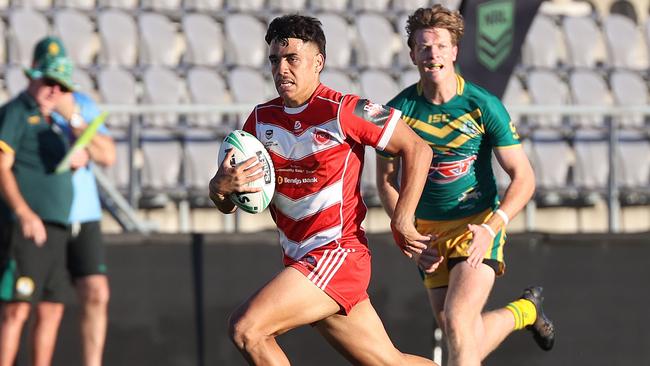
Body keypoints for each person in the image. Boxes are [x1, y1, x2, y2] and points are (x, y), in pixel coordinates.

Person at [210, 14, 439, 365]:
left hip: (338, 254)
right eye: (275, 60)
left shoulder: (345, 110)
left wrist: (403, 219)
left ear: (318, 63)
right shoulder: (259, 121)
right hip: (302, 260)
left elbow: (418, 149)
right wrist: (220, 188)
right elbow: (230, 204)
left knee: (247, 329)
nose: (281, 69)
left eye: (292, 59)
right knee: (391, 363)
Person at [375, 5, 555, 366]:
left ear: (455, 51)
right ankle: (524, 312)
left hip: (476, 227)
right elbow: (385, 181)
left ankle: (523, 310)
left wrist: (494, 227)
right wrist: (405, 234)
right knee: (459, 331)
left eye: (441, 45)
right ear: (412, 54)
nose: (433, 54)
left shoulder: (483, 105)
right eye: (424, 47)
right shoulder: (396, 113)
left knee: (457, 322)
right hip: (427, 234)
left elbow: (524, 177)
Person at [0, 38, 78, 366]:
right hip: (27, 227)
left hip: (57, 228)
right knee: (17, 307)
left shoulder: (55, 125)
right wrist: (23, 212)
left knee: (51, 308)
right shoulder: (16, 112)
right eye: (49, 81)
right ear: (33, 77)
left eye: (61, 85)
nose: (54, 91)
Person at [48, 36, 115, 366]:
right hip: (48, 213)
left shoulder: (82, 106)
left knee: (96, 292)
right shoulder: (31, 111)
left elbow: (108, 155)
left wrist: (74, 119)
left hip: (84, 215)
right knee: (47, 301)